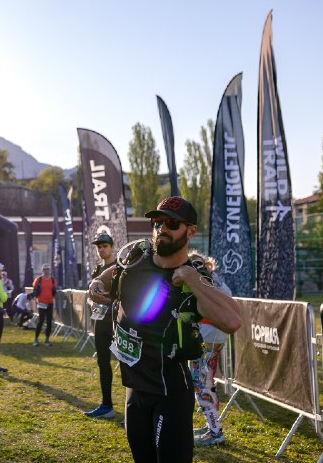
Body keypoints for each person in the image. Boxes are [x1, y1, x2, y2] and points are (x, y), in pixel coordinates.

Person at [88, 196, 241, 463]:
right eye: (157, 222)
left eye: (172, 223)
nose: (162, 229)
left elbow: (232, 321)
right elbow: (110, 274)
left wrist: (193, 281)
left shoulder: (194, 279)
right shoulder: (136, 259)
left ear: (191, 231)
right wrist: (97, 284)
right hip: (134, 389)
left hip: (170, 392)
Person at [188, 251, 233, 447]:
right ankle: (211, 426)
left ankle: (215, 431)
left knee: (201, 382)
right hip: (213, 335)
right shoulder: (213, 278)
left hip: (208, 336)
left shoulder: (202, 279)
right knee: (204, 381)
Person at [84, 232, 118, 420]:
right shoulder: (97, 270)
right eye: (98, 246)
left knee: (128, 363)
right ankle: (107, 405)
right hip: (100, 321)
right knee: (103, 363)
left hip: (118, 321)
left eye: (104, 246)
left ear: (112, 246)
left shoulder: (120, 267)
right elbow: (90, 296)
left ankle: (136, 408)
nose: (101, 249)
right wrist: (93, 302)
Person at [30, 264, 57, 347]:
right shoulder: (39, 279)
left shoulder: (52, 280)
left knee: (49, 322)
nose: (46, 270)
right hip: (41, 302)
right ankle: (36, 339)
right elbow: (35, 290)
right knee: (41, 321)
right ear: (42, 270)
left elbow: (54, 291)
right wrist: (35, 299)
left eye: (48, 269)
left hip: (50, 302)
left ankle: (47, 339)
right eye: (45, 269)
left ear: (49, 270)